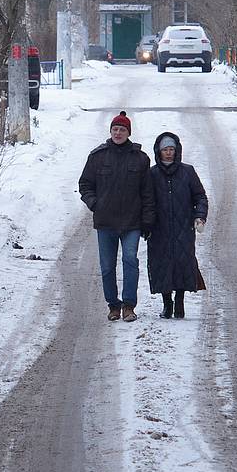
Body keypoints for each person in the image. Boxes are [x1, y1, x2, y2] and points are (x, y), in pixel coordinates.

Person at [78, 111, 155, 322]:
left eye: (122, 130)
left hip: (132, 222)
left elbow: (147, 193)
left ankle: (129, 305)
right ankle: (113, 305)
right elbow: (85, 185)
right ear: (110, 131)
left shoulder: (140, 159)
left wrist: (147, 220)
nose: (118, 133)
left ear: (128, 132)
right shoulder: (97, 157)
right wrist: (95, 204)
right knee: (107, 266)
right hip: (106, 222)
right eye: (115, 129)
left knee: (130, 260)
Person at [145, 132, 208, 319]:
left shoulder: (188, 172)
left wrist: (200, 216)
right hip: (159, 229)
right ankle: (167, 303)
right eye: (165, 149)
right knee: (161, 264)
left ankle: (180, 300)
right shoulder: (151, 174)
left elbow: (200, 196)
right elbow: (145, 200)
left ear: (177, 150)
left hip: (183, 227)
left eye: (172, 149)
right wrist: (145, 223)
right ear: (159, 151)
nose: (169, 153)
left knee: (183, 263)